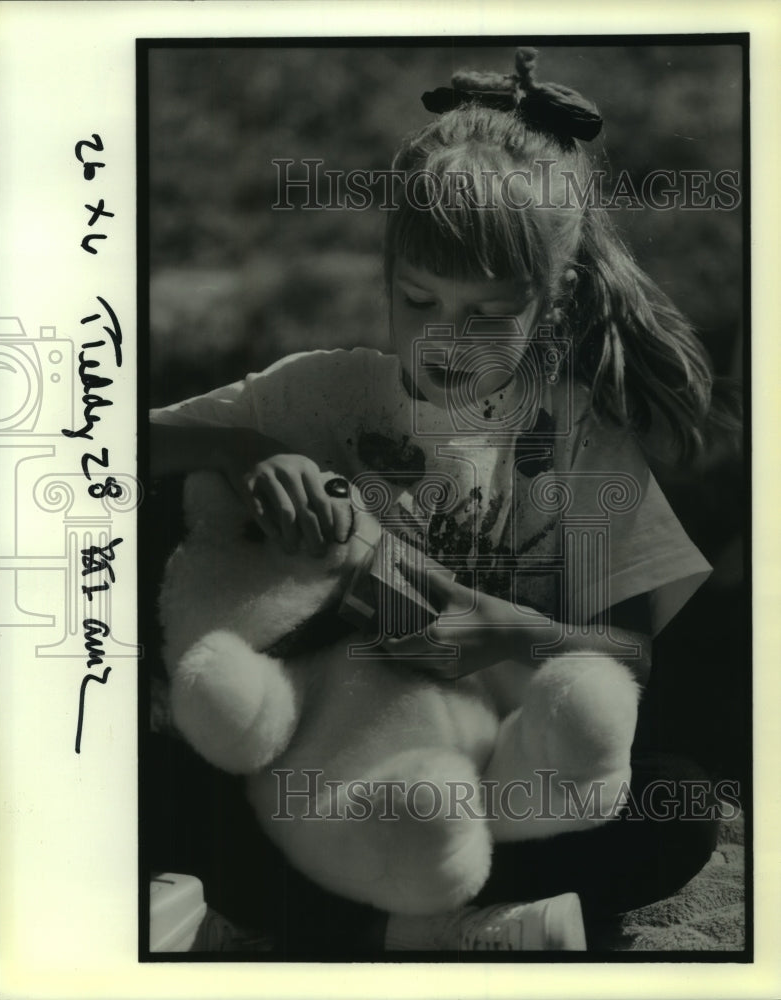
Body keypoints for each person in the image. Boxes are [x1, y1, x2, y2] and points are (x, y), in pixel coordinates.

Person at [149, 48, 726, 954]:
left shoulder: (581, 442)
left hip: (490, 783)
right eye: (418, 300)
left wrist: (499, 628)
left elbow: (628, 658)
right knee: (163, 774)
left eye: (486, 314)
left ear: (555, 297)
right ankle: (460, 928)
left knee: (673, 805)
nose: (445, 341)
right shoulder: (319, 396)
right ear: (387, 273)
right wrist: (245, 447)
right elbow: (103, 439)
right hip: (328, 770)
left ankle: (380, 925)